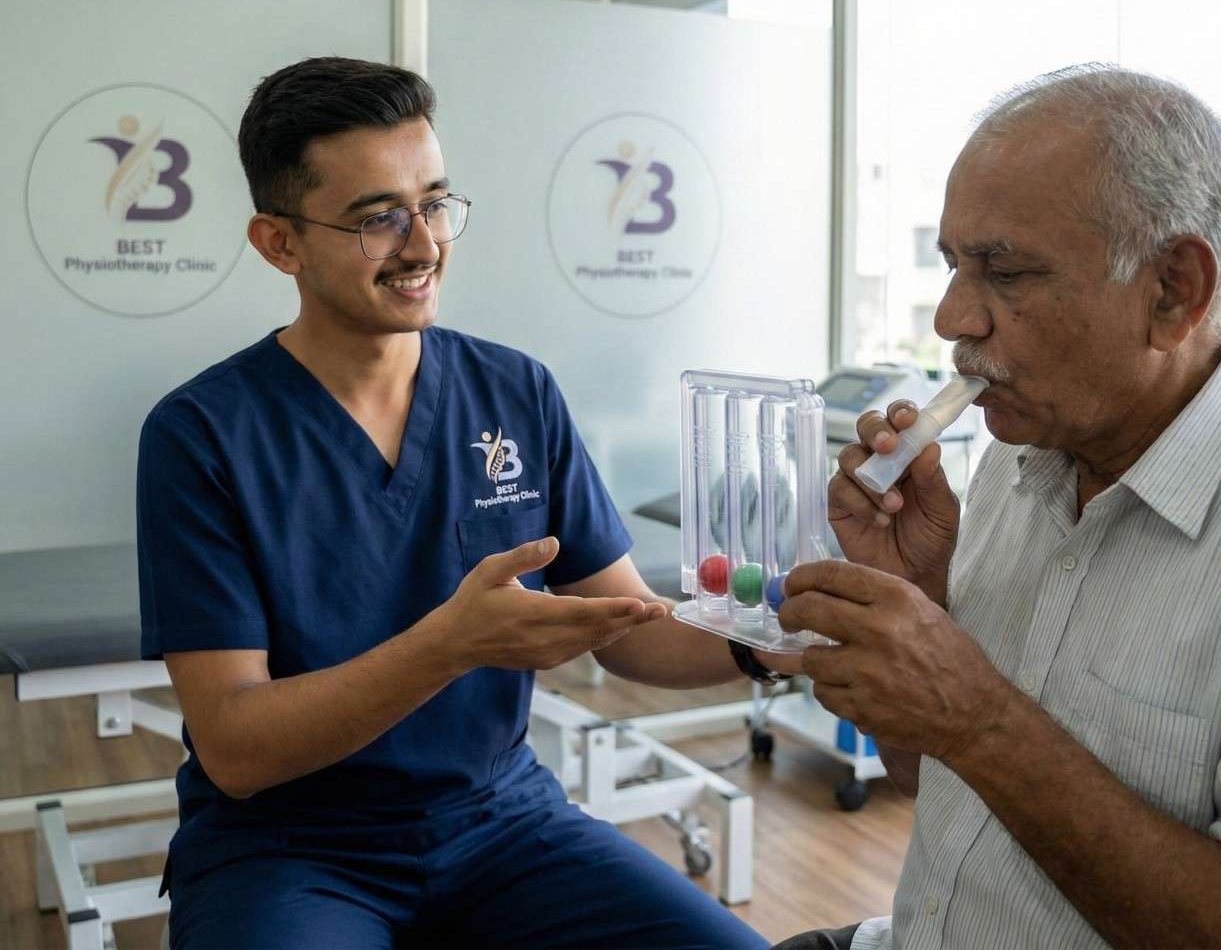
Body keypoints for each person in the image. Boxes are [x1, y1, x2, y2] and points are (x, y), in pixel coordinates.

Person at [137, 57, 790, 950]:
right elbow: (239, 749)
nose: (424, 245)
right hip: (290, 850)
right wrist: (448, 647)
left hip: (501, 824)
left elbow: (629, 627)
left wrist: (788, 626)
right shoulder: (202, 434)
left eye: (436, 203)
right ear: (279, 243)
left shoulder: (515, 391)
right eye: (378, 219)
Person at [775, 65, 1221, 950]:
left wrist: (979, 715)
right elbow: (931, 788)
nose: (951, 318)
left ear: (1174, 291)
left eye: (1004, 273)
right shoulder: (1022, 457)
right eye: (954, 265)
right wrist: (923, 606)